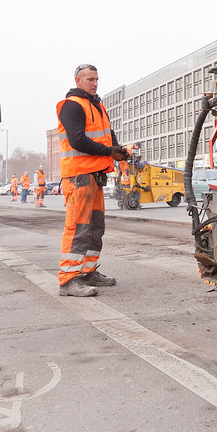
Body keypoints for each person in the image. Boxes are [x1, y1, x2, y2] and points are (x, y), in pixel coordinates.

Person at [55, 64, 129, 297]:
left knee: (95, 227)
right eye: (89, 79)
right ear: (78, 81)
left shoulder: (97, 105)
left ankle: (87, 271)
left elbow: (108, 135)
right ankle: (68, 280)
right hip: (79, 176)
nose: (95, 83)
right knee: (77, 227)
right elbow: (77, 141)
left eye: (96, 79)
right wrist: (110, 152)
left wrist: (117, 150)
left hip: (94, 176)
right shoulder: (72, 106)